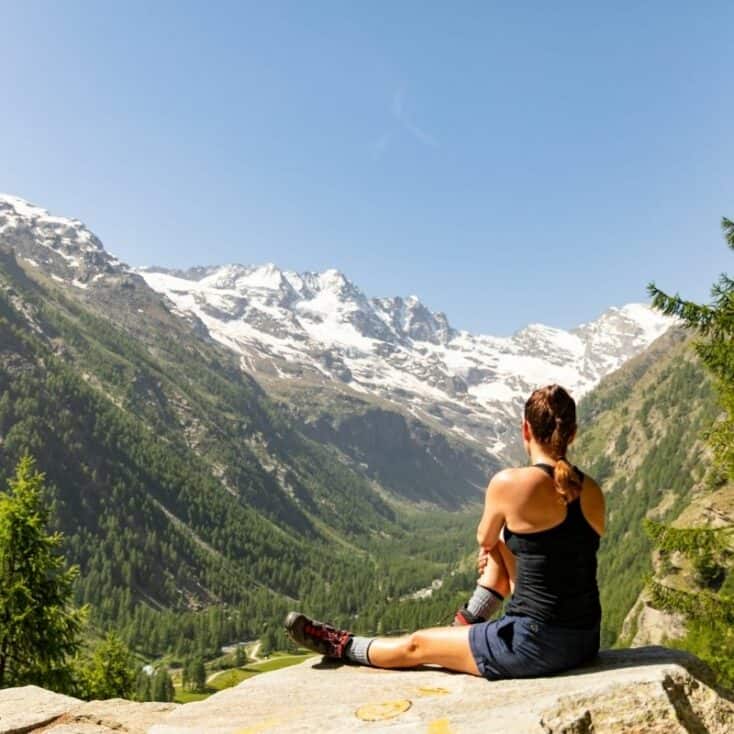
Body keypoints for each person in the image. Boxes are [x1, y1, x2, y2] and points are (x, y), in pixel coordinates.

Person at [284, 384, 605, 680]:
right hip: (583, 639)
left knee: (418, 644)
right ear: (572, 433)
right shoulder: (592, 491)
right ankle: (461, 627)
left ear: (525, 429)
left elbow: (485, 540)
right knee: (512, 541)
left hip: (534, 645)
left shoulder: (511, 483)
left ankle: (343, 645)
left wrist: (495, 546)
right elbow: (553, 560)